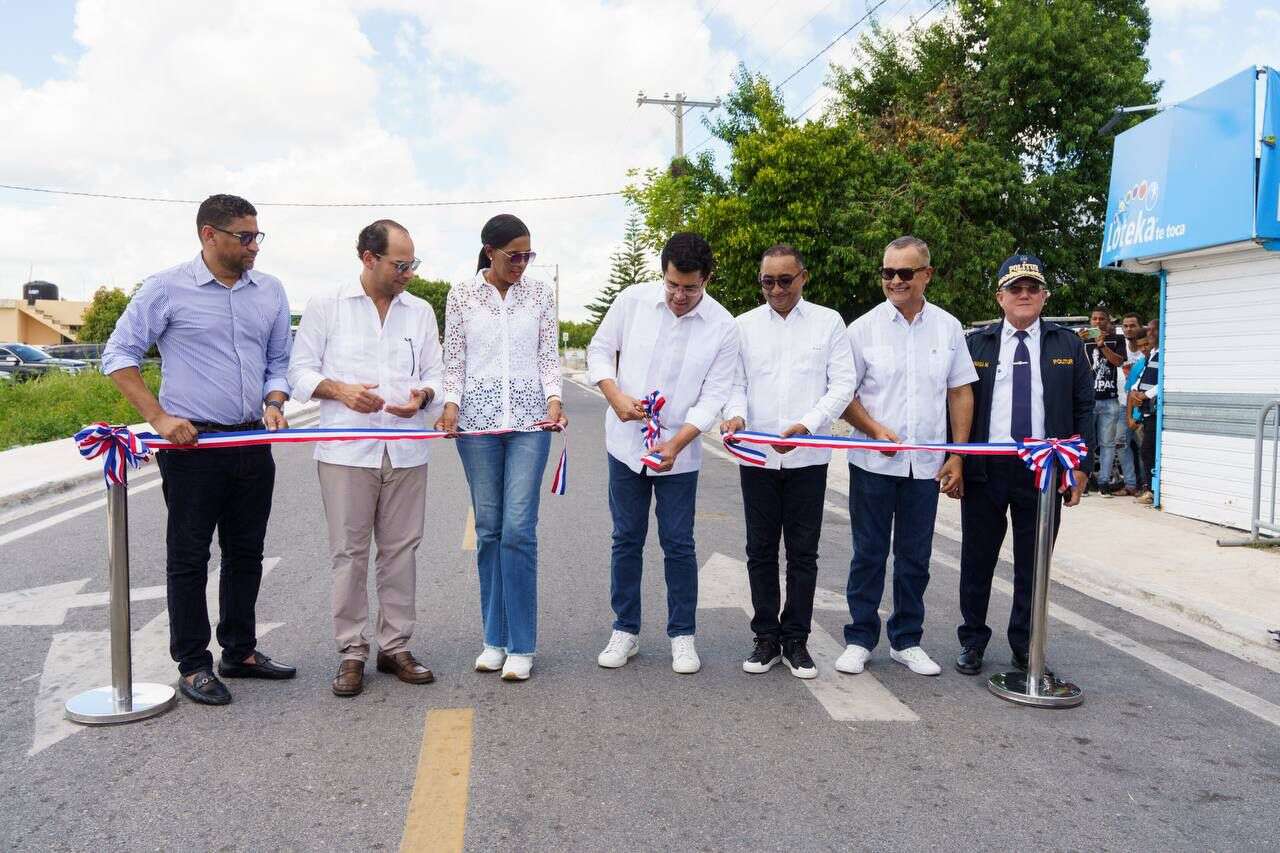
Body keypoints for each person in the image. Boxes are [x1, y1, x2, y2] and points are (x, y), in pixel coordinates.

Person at [101, 194, 294, 706]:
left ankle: (240, 651)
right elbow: (118, 355)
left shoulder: (270, 291)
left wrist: (275, 399)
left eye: (257, 235)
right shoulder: (166, 289)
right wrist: (159, 419)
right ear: (209, 235)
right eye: (244, 237)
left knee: (246, 553)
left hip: (253, 438)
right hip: (193, 445)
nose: (254, 245)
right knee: (189, 557)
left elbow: (279, 359)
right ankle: (193, 664)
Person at [287, 220, 443, 697]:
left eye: (412, 263)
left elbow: (436, 373)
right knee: (349, 554)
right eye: (400, 264)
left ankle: (394, 646)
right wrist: (340, 391)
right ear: (368, 258)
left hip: (407, 449)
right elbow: (299, 371)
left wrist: (423, 397)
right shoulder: (326, 305)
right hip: (346, 451)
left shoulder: (419, 312)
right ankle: (351, 653)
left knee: (400, 552)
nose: (408, 274)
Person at [587, 232, 739, 674]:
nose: (679, 296)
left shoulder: (723, 326)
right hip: (625, 444)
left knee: (678, 544)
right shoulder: (632, 301)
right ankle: (625, 630)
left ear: (707, 279)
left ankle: (682, 635)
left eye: (690, 288)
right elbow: (599, 351)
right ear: (663, 274)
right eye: (672, 284)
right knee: (626, 539)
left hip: (679, 452)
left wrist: (677, 442)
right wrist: (614, 396)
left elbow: (714, 396)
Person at [836, 236, 977, 678]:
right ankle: (860, 638)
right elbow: (844, 396)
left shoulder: (949, 328)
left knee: (915, 557)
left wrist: (957, 456)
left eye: (904, 272)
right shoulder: (861, 330)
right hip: (874, 465)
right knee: (869, 554)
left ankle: (907, 640)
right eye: (887, 272)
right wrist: (873, 428)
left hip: (926, 465)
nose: (895, 280)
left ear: (926, 275)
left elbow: (960, 391)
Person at [437, 214, 565, 682]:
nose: (522, 264)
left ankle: (523, 645)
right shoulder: (462, 294)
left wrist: (554, 398)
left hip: (531, 421)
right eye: (515, 255)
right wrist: (451, 405)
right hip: (476, 424)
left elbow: (548, 355)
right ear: (489, 251)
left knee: (517, 529)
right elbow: (455, 358)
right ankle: (494, 639)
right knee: (489, 529)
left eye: (528, 255)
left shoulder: (539, 294)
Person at [718, 245, 856, 678]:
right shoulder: (743, 326)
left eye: (784, 280)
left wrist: (809, 424)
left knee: (803, 553)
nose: (775, 289)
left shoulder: (828, 321)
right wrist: (735, 414)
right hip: (757, 456)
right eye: (767, 282)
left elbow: (843, 383)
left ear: (803, 277)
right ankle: (765, 638)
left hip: (808, 456)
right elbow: (734, 381)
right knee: (759, 550)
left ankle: (796, 640)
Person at [954, 253, 1095, 676]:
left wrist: (1082, 467)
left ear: (1044, 296)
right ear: (1000, 297)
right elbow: (957, 403)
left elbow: (1084, 406)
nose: (1024, 295)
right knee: (977, 559)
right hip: (986, 467)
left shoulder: (1067, 344)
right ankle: (972, 641)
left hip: (1045, 470)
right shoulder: (975, 343)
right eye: (1015, 288)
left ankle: (1025, 647)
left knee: (1034, 565)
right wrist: (956, 459)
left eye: (1033, 288)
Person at [1079, 306, 1134, 496]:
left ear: (1109, 321)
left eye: (1102, 319)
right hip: (1089, 400)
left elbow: (1119, 361)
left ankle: (1103, 483)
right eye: (1094, 319)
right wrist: (1079, 340)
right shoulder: (1083, 339)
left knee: (1108, 444)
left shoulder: (1117, 339)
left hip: (1110, 399)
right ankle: (1084, 482)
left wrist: (1102, 346)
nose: (1097, 322)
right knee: (1086, 442)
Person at [1127, 320, 1160, 505]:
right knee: (1146, 451)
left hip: (1154, 410)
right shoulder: (1150, 356)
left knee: (1148, 451)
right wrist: (1135, 391)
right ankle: (1149, 488)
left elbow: (1163, 381)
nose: (1150, 334)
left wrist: (1145, 395)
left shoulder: (1163, 354)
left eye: (1153, 331)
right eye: (1149, 331)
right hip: (1146, 411)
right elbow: (1138, 380)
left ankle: (1151, 489)